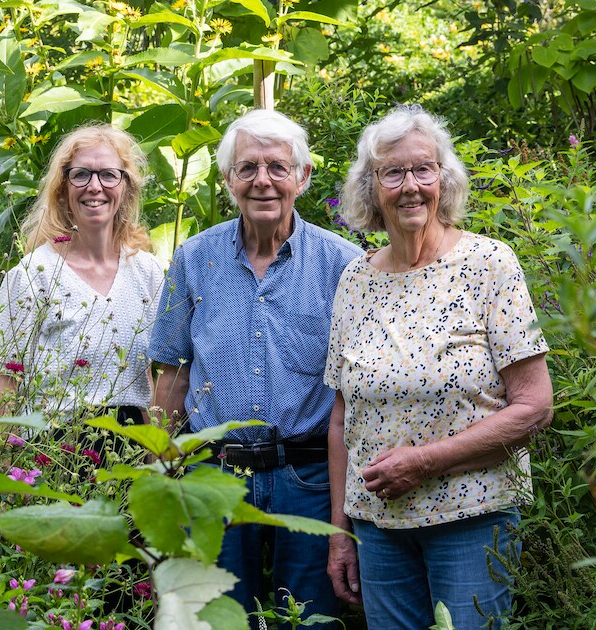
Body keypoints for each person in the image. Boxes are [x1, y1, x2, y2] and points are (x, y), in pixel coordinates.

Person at [324, 104, 553, 629]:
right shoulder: (355, 279)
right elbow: (340, 420)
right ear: (370, 188)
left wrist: (425, 461)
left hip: (472, 518)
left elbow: (535, 406)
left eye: (423, 169)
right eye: (393, 172)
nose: (410, 186)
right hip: (378, 527)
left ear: (443, 181)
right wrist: (341, 531)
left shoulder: (489, 264)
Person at [149, 109, 362, 628]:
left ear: (303, 177)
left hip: (309, 478)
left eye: (277, 167)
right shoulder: (194, 259)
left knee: (309, 620)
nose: (262, 180)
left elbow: (356, 395)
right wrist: (165, 479)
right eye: (247, 168)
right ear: (228, 181)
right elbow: (172, 376)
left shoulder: (345, 264)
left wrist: (345, 517)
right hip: (213, 473)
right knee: (216, 619)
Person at [0, 123, 164, 430]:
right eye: (81, 174)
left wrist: (161, 463)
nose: (95, 187)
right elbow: (4, 384)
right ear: (63, 188)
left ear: (125, 187)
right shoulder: (34, 275)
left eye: (108, 174)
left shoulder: (146, 271)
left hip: (132, 452)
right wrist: (6, 469)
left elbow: (146, 380)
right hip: (56, 453)